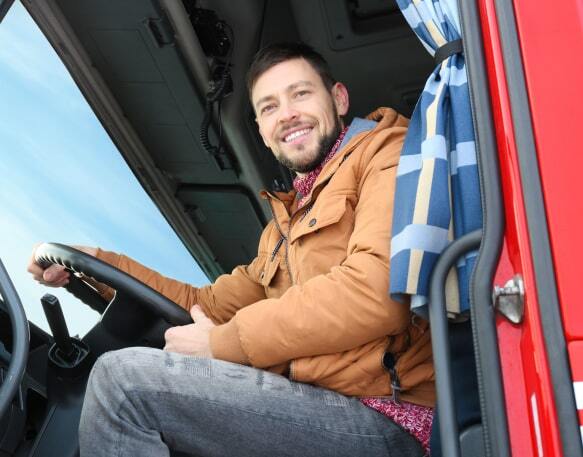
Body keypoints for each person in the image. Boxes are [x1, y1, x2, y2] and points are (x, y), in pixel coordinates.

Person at [28, 42, 434, 457]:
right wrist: (96, 262)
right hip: (314, 405)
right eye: (270, 107)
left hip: (385, 415)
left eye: (301, 93)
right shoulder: (280, 232)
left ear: (339, 98)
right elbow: (201, 304)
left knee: (124, 385)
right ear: (261, 129)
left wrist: (222, 345)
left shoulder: (386, 153)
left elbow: (377, 292)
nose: (287, 114)